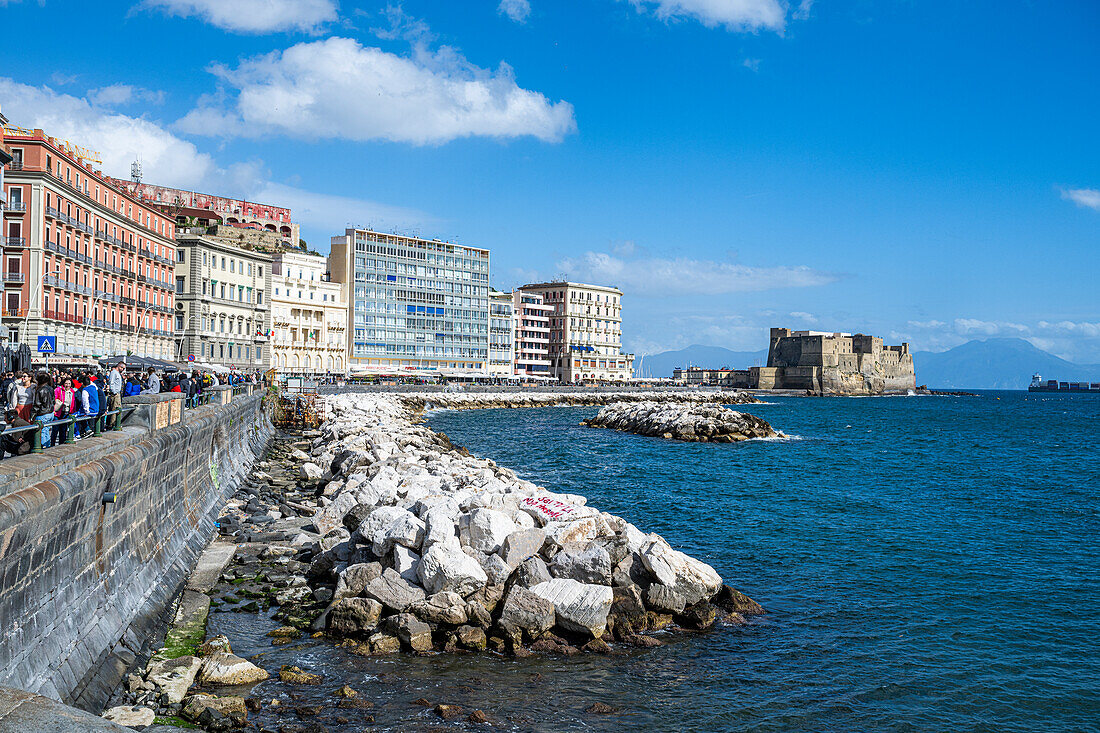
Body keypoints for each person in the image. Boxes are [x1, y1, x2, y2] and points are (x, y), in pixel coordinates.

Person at [33, 372, 56, 449]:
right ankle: (47, 446)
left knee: (42, 431)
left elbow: (37, 404)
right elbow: (53, 401)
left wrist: (32, 415)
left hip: (42, 413)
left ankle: (42, 447)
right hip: (50, 412)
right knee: (46, 431)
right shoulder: (51, 388)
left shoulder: (40, 390)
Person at [53, 376, 76, 444]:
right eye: (66, 383)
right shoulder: (58, 390)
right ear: (63, 383)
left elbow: (73, 403)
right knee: (55, 429)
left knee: (63, 430)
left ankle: (61, 443)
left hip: (66, 413)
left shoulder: (72, 391)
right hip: (58, 412)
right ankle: (52, 444)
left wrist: (72, 412)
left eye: (69, 383)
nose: (67, 385)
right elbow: (54, 399)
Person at [77, 373, 100, 439]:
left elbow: (85, 402)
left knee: (77, 415)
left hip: (91, 411)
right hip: (96, 409)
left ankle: (86, 430)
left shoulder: (85, 390)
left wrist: (86, 411)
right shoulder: (94, 387)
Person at [107, 362, 124, 429]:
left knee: (117, 409)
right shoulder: (114, 373)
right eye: (123, 368)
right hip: (115, 394)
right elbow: (111, 382)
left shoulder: (117, 373)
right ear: (119, 367)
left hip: (117, 393)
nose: (123, 370)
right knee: (115, 409)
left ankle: (116, 423)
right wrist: (114, 392)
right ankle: (113, 424)